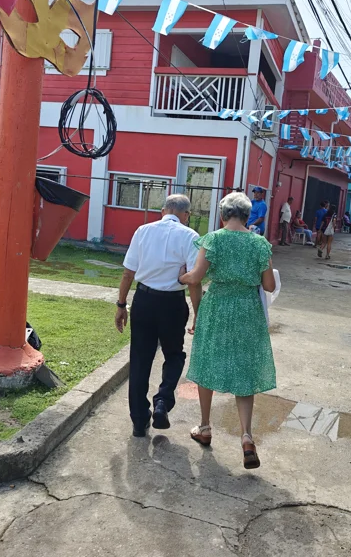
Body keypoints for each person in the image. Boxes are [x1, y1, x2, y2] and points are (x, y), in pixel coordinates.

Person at [179, 192, 276, 469]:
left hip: (217, 306)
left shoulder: (214, 239)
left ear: (223, 216)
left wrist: (182, 276)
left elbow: (196, 277)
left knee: (207, 362)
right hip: (247, 310)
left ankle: (205, 427)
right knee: (245, 370)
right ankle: (246, 436)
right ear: (247, 216)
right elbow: (268, 286)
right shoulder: (260, 244)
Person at [116, 195, 203, 438]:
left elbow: (127, 273)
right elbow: (194, 281)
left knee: (140, 359)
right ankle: (163, 401)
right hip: (173, 304)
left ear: (163, 210)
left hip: (143, 301)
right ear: (185, 215)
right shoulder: (190, 236)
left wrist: (121, 304)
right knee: (174, 355)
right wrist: (198, 314)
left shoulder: (143, 230)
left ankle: (138, 421)